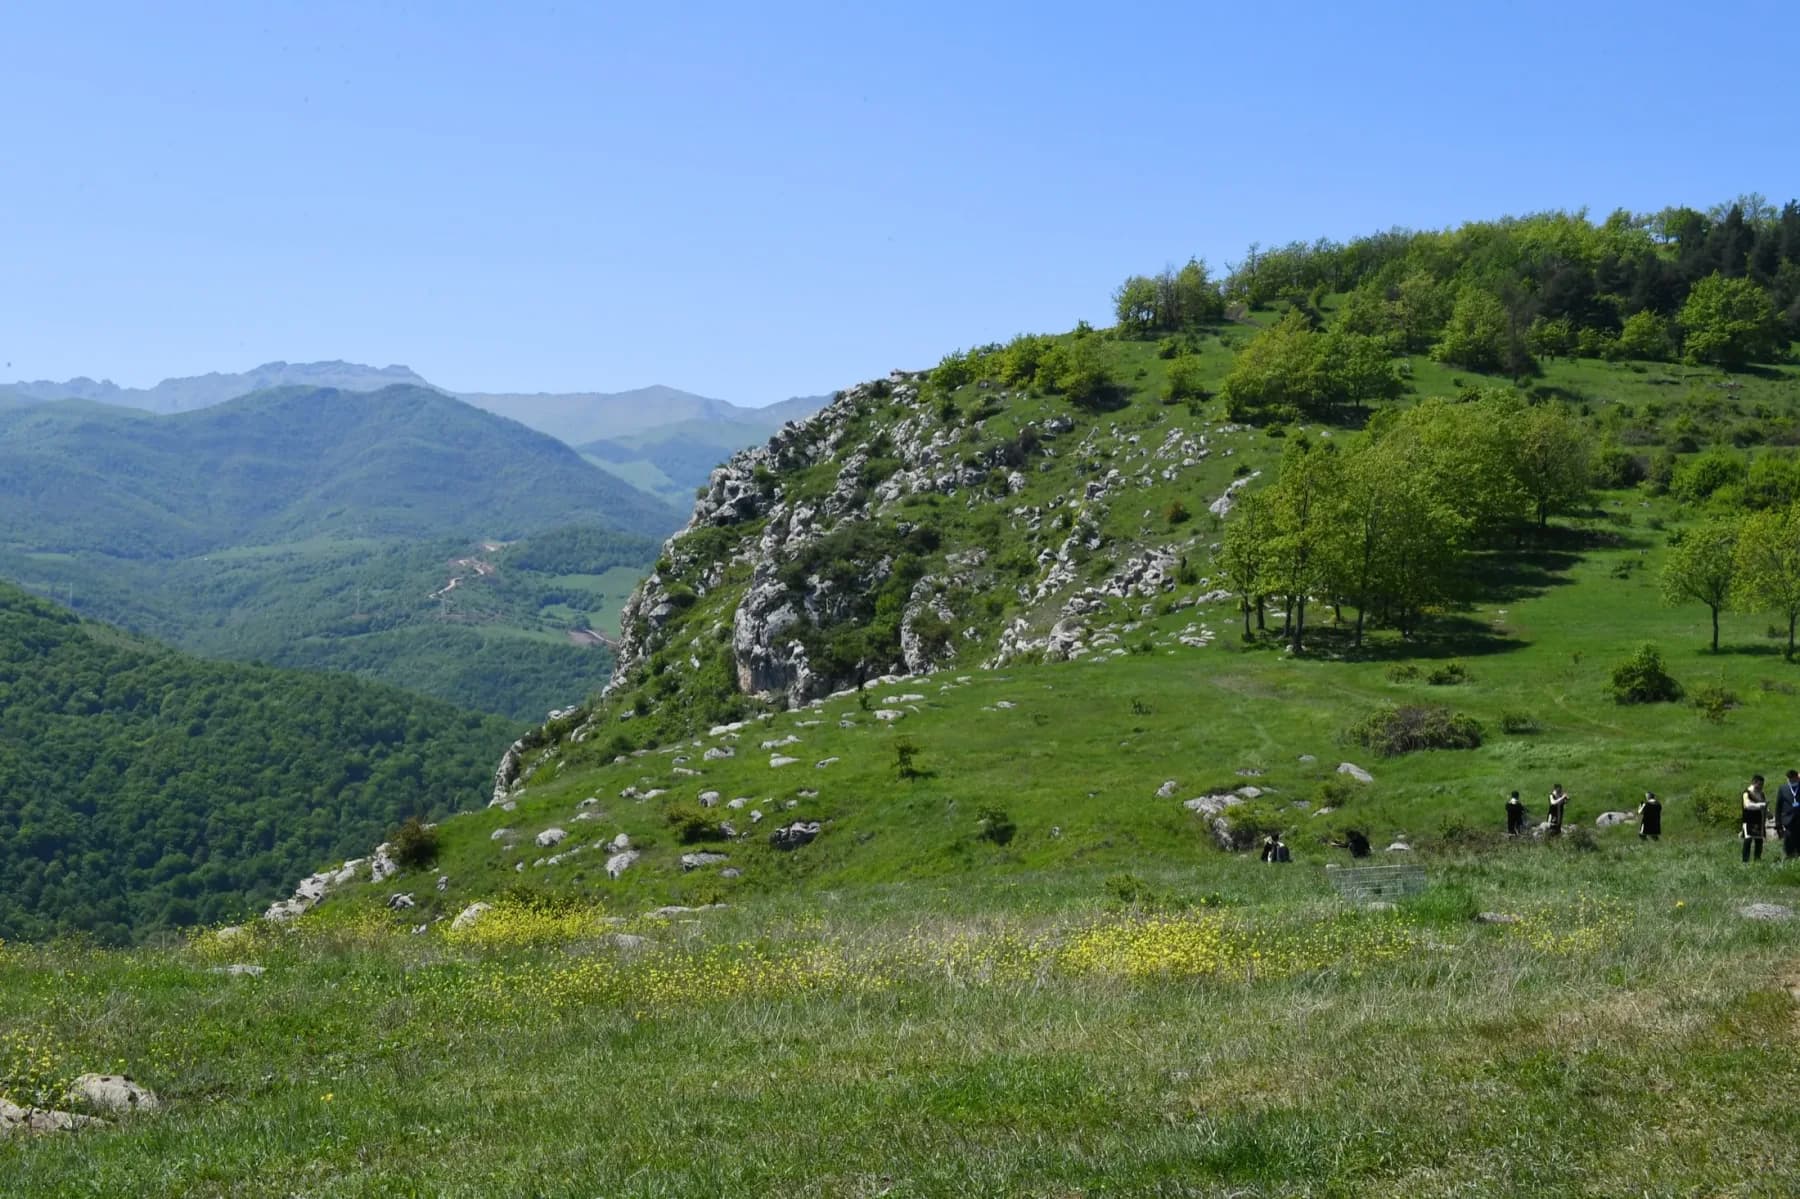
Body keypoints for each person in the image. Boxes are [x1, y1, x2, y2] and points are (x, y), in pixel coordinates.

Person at [1742, 776, 1769, 863]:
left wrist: (1768, 813)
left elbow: (1764, 804)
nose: (1761, 786)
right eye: (1760, 784)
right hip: (1749, 820)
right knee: (1748, 840)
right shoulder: (1746, 793)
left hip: (1759, 821)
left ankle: (1757, 860)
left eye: (1762, 784)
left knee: (1759, 841)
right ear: (1754, 782)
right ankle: (1745, 861)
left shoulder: (1761, 793)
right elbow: (1747, 805)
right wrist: (1760, 805)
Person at [1778, 770, 1800, 858]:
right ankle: (1789, 855)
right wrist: (1778, 822)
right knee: (1788, 838)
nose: (1791, 780)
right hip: (1788, 819)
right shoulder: (1783, 788)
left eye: (1793, 778)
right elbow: (1778, 806)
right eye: (1789, 779)